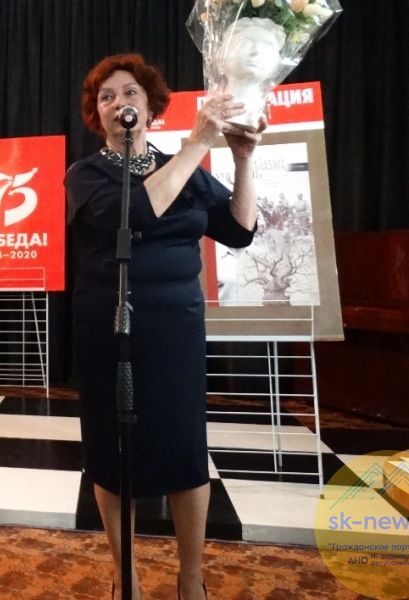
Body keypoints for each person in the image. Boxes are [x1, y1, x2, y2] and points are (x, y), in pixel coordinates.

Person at [65, 54, 264, 600]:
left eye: (130, 92)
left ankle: (190, 577)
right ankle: (125, 575)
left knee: (183, 448)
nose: (118, 102)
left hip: (176, 328)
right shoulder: (85, 175)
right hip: (108, 326)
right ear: (98, 115)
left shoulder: (187, 170)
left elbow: (240, 230)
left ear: (151, 108)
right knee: (113, 451)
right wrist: (198, 141)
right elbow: (139, 211)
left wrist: (242, 158)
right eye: (106, 97)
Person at [218, 17, 286, 131]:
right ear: (222, 55)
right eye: (245, 43)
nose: (257, 51)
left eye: (267, 46)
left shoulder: (262, 114)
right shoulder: (213, 113)